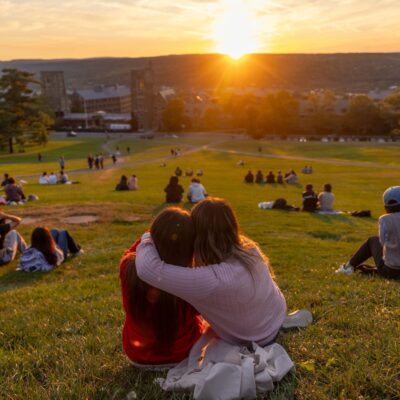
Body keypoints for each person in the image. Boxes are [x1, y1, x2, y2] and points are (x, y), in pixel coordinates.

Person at [135, 198, 287, 346]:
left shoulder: (210, 280)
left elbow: (147, 269)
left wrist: (149, 236)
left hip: (254, 338)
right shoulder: (249, 248)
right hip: (276, 315)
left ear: (197, 235)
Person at [119, 208, 203, 366]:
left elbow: (136, 247)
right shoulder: (192, 280)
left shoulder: (128, 267)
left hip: (137, 354)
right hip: (184, 353)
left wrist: (153, 234)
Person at [336, 186, 400, 279]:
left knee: (373, 240)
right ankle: (374, 270)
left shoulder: (384, 219)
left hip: (391, 270)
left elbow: (382, 242)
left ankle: (347, 267)